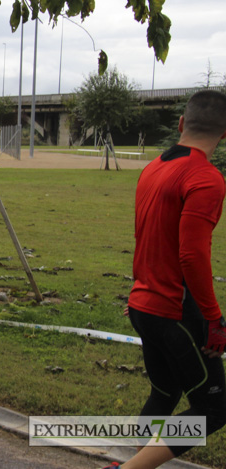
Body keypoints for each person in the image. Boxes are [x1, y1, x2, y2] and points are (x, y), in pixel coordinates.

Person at [109, 90, 226, 469]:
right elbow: (191, 256)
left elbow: (147, 239)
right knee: (214, 407)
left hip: (144, 305)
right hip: (174, 313)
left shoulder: (153, 167)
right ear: (224, 134)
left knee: (164, 391)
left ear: (181, 124)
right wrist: (213, 318)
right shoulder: (206, 178)